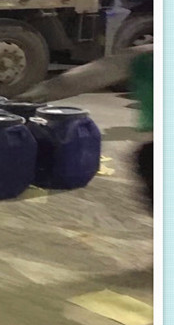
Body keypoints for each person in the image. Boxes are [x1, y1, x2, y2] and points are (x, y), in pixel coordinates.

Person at [19, 43, 153, 210]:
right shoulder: (147, 56)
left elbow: (83, 78)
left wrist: (28, 97)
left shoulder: (147, 56)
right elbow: (86, 76)